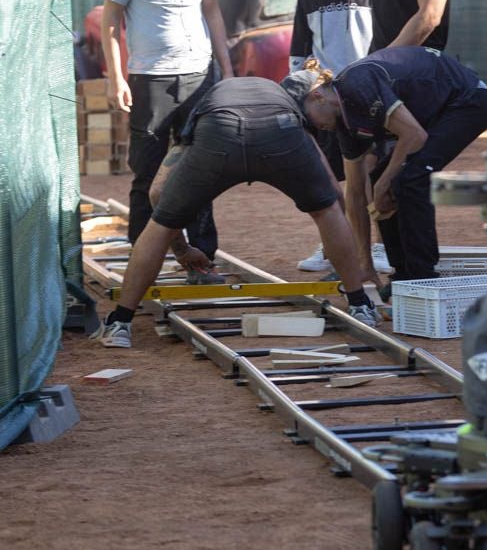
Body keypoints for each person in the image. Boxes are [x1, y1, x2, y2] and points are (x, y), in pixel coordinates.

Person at [89, 74, 379, 349]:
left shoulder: (207, 104)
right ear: (311, 98)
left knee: (159, 225)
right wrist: (331, 222)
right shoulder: (291, 111)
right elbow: (333, 193)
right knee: (326, 212)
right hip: (281, 131)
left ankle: (120, 323)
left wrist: (181, 249)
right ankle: (360, 304)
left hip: (218, 131)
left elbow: (156, 192)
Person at [101, 0, 231, 283]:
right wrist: (116, 77)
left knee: (200, 167)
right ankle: (145, 263)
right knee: (147, 170)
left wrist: (226, 70)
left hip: (199, 74)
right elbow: (110, 18)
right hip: (152, 78)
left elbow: (212, 11)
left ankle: (202, 258)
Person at [301, 46, 487, 284]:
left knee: (411, 179)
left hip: (468, 100)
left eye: (308, 118)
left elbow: (415, 136)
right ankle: (403, 275)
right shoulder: (342, 122)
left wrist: (383, 184)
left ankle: (422, 278)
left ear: (317, 96)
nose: (313, 128)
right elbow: (355, 193)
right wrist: (365, 263)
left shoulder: (356, 85)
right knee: (383, 179)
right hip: (436, 111)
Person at [288, 0, 389, 278]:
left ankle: (373, 247)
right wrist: (299, 95)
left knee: (372, 177)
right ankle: (334, 246)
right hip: (327, 102)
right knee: (326, 179)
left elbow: (387, 41)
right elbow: (299, 51)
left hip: (370, 96)